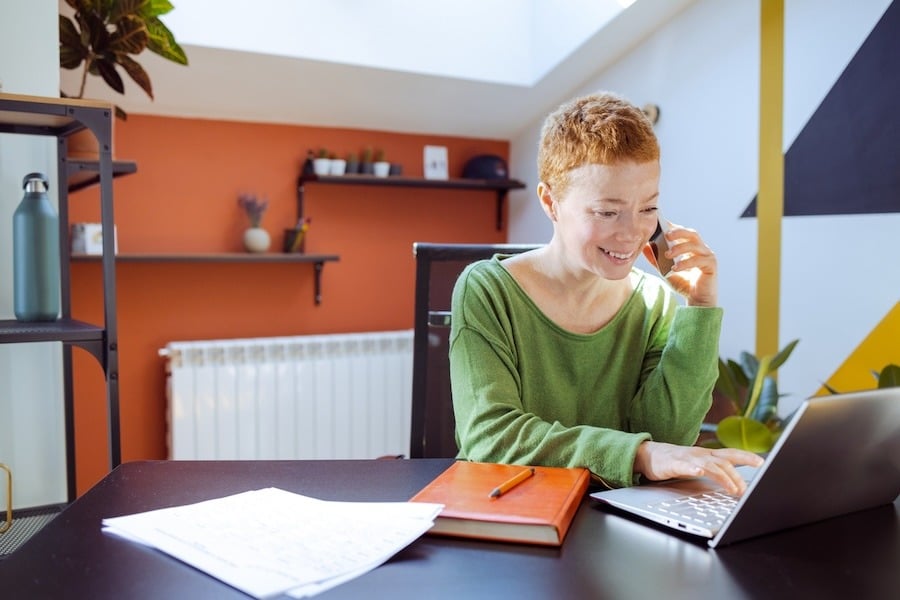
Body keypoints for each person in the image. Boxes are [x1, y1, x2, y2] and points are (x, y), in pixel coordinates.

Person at [449, 92, 763, 495]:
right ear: (551, 202)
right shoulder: (488, 289)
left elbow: (669, 437)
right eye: (607, 211)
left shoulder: (653, 300)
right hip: (518, 516)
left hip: (619, 517)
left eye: (648, 208)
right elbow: (490, 437)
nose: (632, 232)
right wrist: (640, 455)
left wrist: (699, 308)